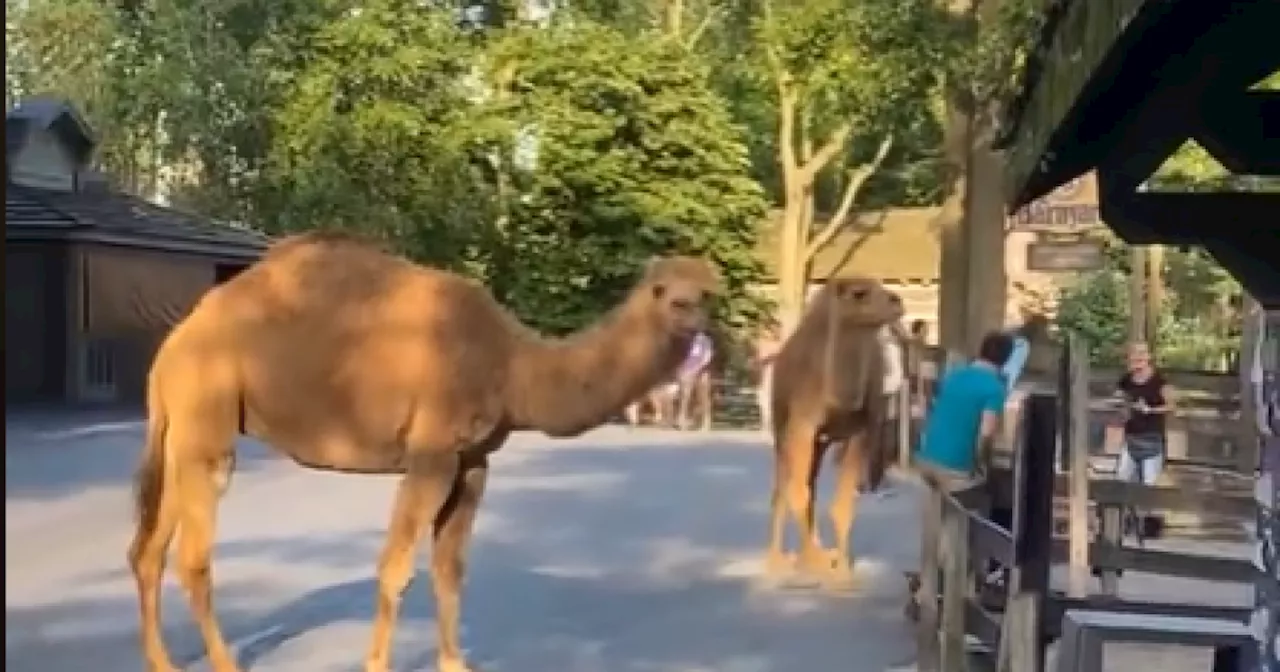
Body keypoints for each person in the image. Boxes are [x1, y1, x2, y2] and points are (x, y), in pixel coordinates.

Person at [906, 331, 1014, 617]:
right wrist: (982, 463)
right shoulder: (994, 388)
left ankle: (926, 586)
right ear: (1007, 358)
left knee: (935, 524)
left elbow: (936, 409)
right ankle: (952, 595)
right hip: (956, 465)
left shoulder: (954, 375)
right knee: (967, 530)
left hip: (928, 457)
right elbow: (986, 432)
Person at [1116, 341, 1174, 487]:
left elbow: (1171, 406)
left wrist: (1150, 410)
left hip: (1152, 439)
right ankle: (1127, 510)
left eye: (1142, 354)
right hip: (1131, 438)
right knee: (1122, 480)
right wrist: (1123, 407)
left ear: (1149, 357)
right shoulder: (1127, 380)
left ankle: (1145, 510)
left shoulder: (1159, 381)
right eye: (1135, 354)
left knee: (1149, 485)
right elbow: (1121, 398)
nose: (1138, 358)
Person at [676, 330, 715, 430]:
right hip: (687, 369)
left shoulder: (704, 340)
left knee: (703, 396)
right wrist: (681, 369)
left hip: (702, 370)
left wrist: (698, 368)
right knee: (685, 395)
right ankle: (682, 419)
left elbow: (707, 356)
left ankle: (706, 420)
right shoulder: (684, 339)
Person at [755, 325, 781, 433]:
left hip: (777, 374)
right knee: (764, 398)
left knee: (773, 397)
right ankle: (765, 422)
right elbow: (760, 359)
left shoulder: (780, 345)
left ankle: (773, 423)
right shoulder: (763, 345)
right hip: (766, 373)